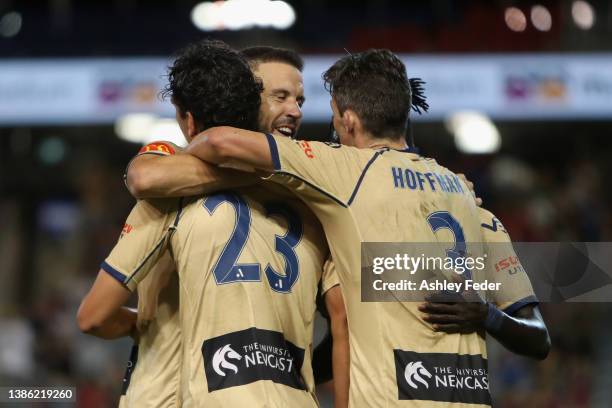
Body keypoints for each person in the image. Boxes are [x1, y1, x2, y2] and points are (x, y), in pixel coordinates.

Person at [182, 49, 551, 407]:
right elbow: (538, 340)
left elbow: (219, 142)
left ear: (349, 121)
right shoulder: (473, 204)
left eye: (333, 120)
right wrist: (486, 315)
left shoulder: (346, 171)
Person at [77, 40, 333, 407]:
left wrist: (145, 322)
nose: (294, 110)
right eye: (280, 96)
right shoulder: (312, 191)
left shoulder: (173, 192)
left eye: (300, 100)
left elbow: (93, 316)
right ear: (248, 97)